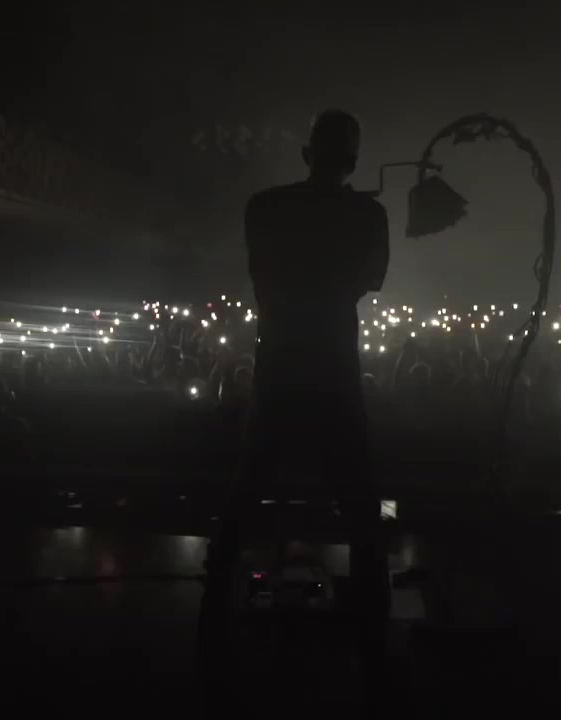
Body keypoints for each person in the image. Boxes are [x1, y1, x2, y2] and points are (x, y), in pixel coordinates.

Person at [198, 109, 390, 715]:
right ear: (352, 161)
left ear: (308, 154)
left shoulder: (265, 207)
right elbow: (371, 277)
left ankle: (212, 608)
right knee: (358, 499)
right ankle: (373, 625)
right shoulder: (367, 216)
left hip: (280, 364)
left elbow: (267, 274)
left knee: (248, 486)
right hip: (333, 368)